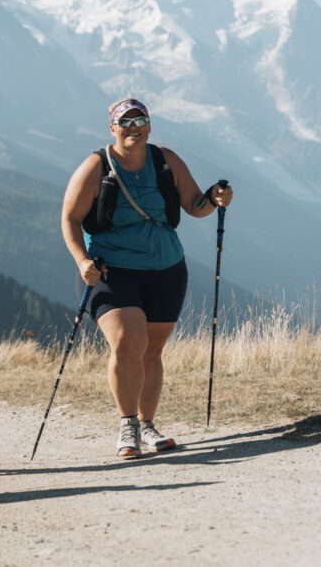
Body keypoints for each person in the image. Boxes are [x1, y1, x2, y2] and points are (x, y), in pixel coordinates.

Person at [60, 98, 233, 458]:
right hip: (110, 270)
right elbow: (70, 219)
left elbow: (193, 205)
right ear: (112, 129)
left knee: (152, 350)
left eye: (140, 121)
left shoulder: (165, 161)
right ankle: (128, 425)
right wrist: (81, 261)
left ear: (150, 127)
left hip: (166, 270)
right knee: (128, 342)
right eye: (125, 122)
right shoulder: (96, 166)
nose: (133, 128)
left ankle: (147, 425)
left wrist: (215, 199)